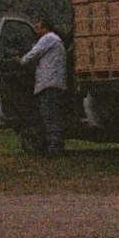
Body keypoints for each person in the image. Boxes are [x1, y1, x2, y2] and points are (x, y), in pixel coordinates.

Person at [23, 16, 68, 158]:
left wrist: (21, 60)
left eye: (38, 27)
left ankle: (55, 147)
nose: (36, 30)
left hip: (49, 83)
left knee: (49, 116)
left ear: (45, 28)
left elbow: (33, 53)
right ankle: (56, 145)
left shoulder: (48, 38)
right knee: (52, 115)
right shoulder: (55, 40)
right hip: (53, 82)